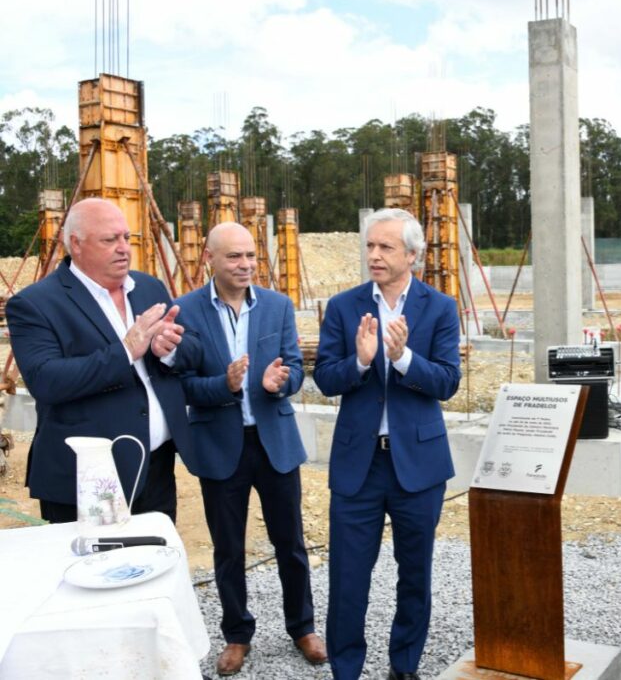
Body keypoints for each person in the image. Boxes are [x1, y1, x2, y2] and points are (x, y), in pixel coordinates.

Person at [314, 208, 461, 680]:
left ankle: (404, 666)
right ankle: (346, 670)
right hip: (359, 466)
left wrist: (403, 359)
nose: (373, 255)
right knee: (348, 579)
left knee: (415, 575)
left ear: (412, 255)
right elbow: (325, 379)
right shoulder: (343, 306)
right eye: (370, 246)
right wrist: (358, 362)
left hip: (418, 466)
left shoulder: (439, 307)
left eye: (385, 247)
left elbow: (447, 382)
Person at [175, 223, 327, 675]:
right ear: (209, 258)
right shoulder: (185, 311)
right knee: (228, 548)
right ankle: (237, 635)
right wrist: (224, 385)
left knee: (291, 543)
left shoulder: (278, 306)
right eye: (233, 257)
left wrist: (279, 383)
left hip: (274, 442)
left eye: (250, 256)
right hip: (221, 446)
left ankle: (302, 627)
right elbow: (181, 385)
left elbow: (297, 368)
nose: (244, 265)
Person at [6, 197, 198, 524]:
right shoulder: (35, 304)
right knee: (98, 569)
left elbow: (195, 350)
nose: (123, 248)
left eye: (126, 237)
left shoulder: (149, 288)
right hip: (91, 474)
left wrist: (170, 349)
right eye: (110, 240)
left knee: (152, 563)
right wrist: (126, 350)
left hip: (157, 467)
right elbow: (46, 381)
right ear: (76, 244)